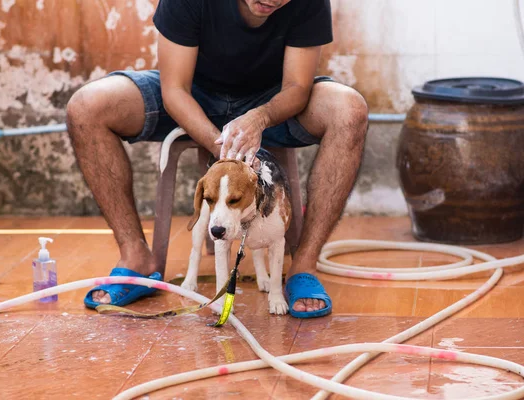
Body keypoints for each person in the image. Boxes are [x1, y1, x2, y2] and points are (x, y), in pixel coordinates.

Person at [66, 0, 368, 318]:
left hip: (273, 99)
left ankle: (303, 267)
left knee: (350, 109)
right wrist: (225, 151)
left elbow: (296, 87)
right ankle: (135, 258)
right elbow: (175, 90)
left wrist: (260, 118)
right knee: (87, 106)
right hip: (191, 94)